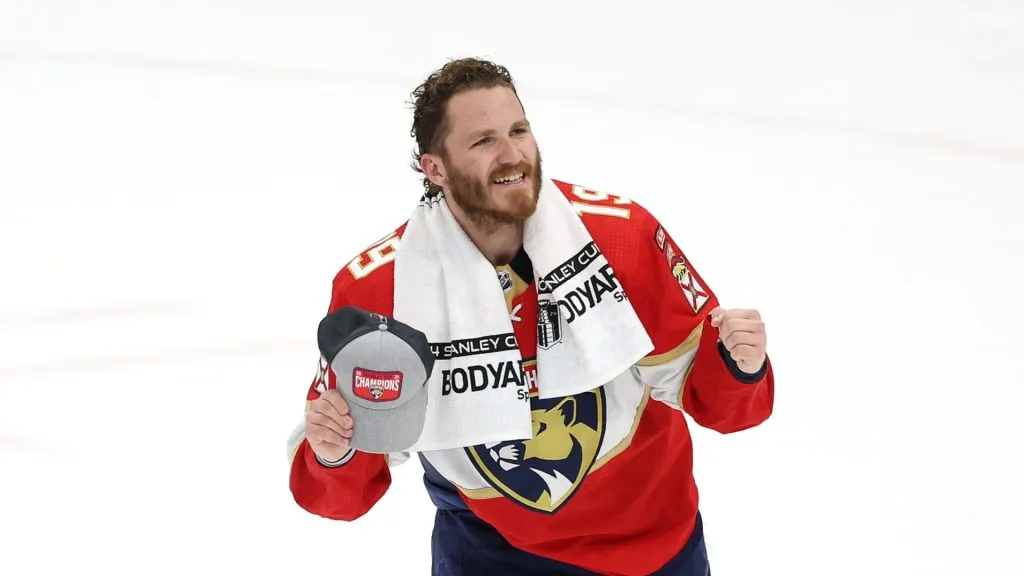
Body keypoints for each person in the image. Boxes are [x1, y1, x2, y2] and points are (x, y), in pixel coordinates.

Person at [287, 57, 774, 576]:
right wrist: (333, 452)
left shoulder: (622, 240)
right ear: (435, 168)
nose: (512, 153)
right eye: (483, 141)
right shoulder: (379, 293)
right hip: (487, 553)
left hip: (651, 548)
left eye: (518, 130)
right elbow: (338, 496)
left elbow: (727, 407)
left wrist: (739, 365)